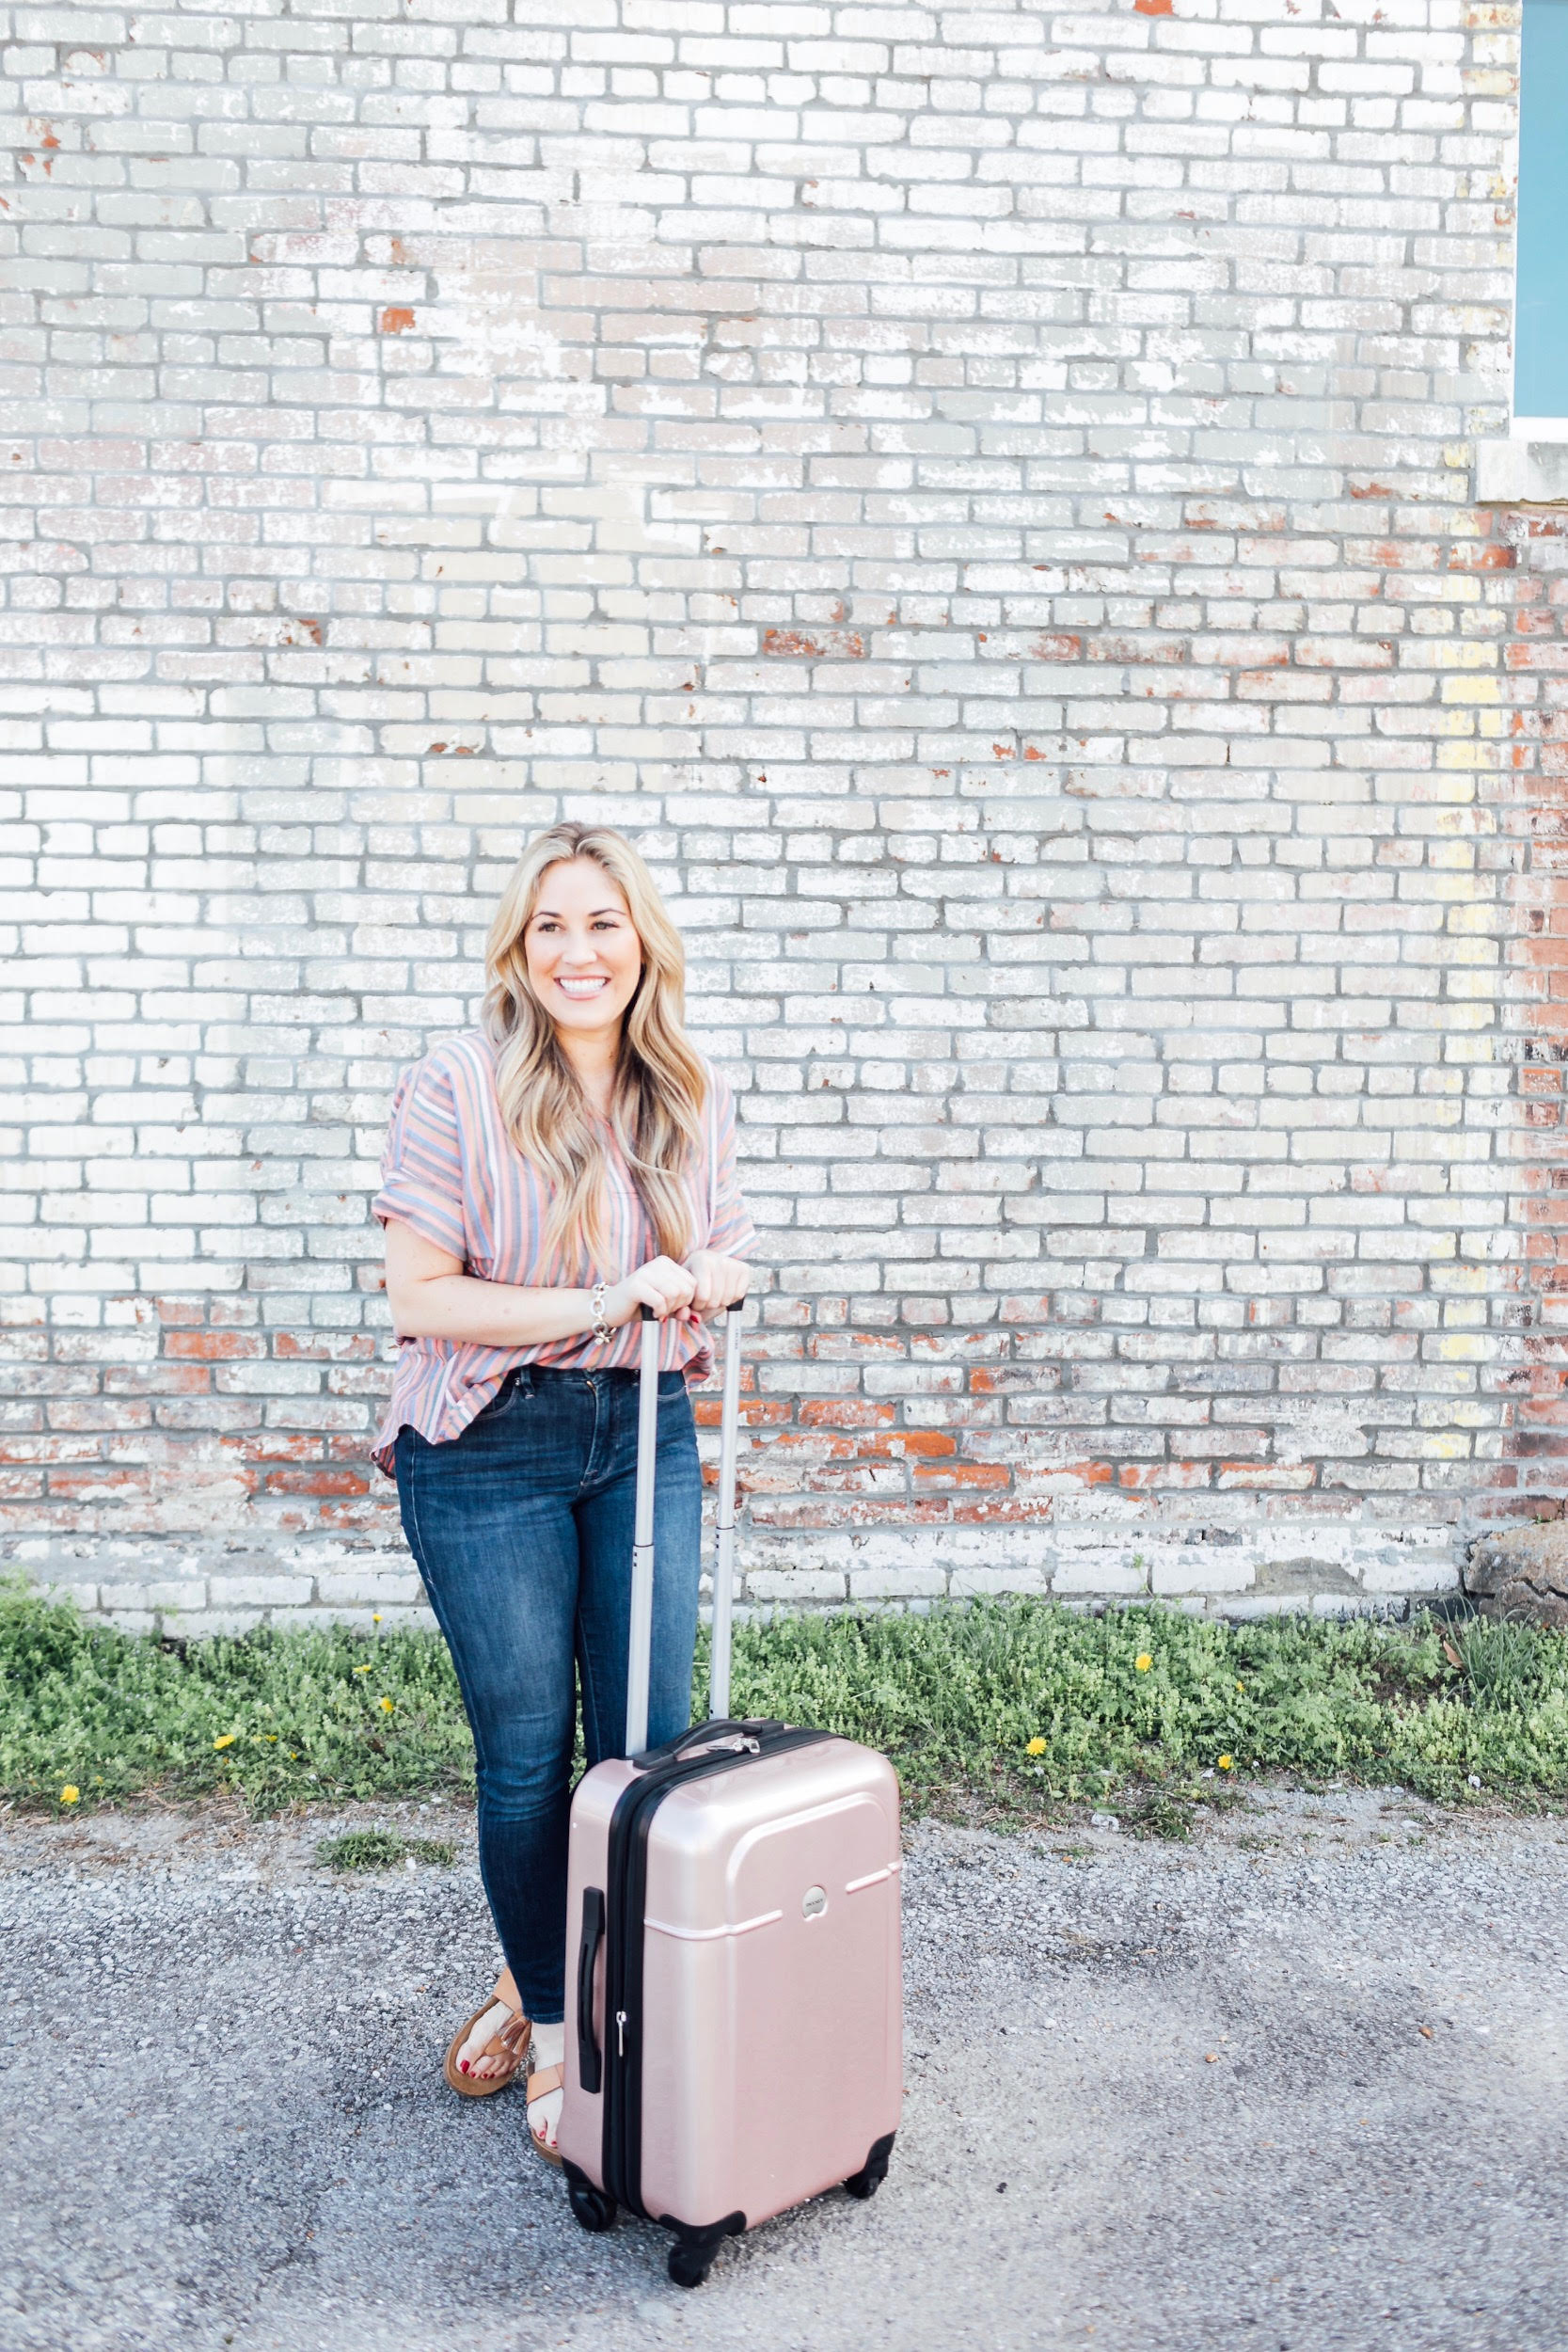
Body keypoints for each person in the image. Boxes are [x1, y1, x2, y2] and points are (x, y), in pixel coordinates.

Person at [371, 821, 752, 2164]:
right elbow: (421, 1296)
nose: (580, 953)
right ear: (518, 953)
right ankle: (552, 2025)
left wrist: (719, 1277)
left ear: (640, 939)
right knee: (531, 1763)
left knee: (641, 1755)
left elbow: (730, 1239)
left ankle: (602, 1988)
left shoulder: (682, 1091)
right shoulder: (458, 1085)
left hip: (642, 1426)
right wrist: (605, 1298)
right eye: (551, 928)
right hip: (488, 1449)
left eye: (603, 924)